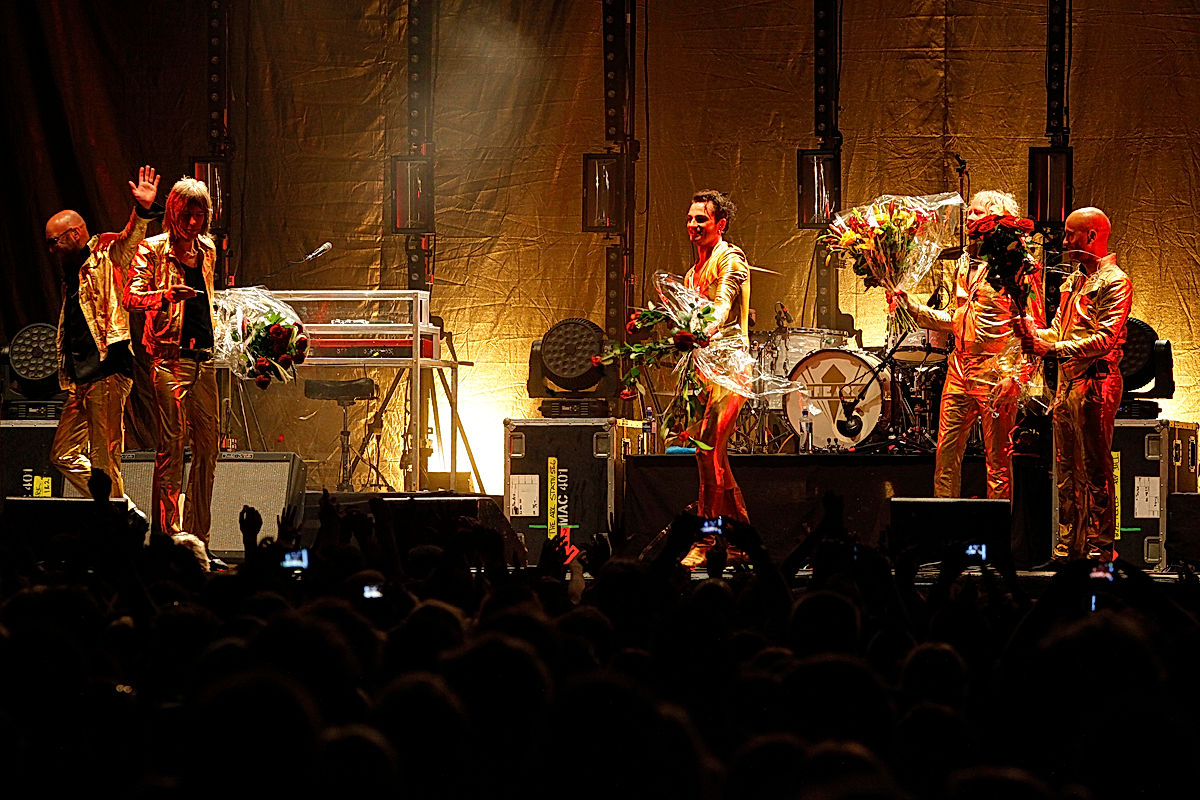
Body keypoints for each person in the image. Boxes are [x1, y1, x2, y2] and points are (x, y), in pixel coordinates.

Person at [893, 190, 1045, 500]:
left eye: (976, 212)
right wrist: (913, 307)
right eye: (970, 212)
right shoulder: (966, 261)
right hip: (959, 367)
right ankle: (947, 531)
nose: (969, 218)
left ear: (995, 218)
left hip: (996, 371)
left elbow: (1035, 325)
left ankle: (998, 537)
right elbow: (959, 318)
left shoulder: (1017, 263)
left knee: (998, 461)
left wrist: (1016, 376)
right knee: (945, 456)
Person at [1016, 207, 1132, 563]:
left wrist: (1049, 346)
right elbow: (1058, 331)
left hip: (1096, 383)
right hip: (1068, 384)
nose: (1065, 242)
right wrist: (1033, 332)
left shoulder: (1115, 282)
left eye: (1071, 235)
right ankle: (1069, 548)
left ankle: (1100, 550)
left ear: (1092, 237)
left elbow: (1104, 340)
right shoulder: (1073, 281)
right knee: (1066, 471)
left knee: (1096, 471)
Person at [123, 176, 223, 568]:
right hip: (168, 359)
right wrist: (164, 296)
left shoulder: (209, 250)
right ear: (173, 214)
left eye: (200, 216)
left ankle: (200, 542)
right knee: (172, 447)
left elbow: (208, 301)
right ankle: (169, 544)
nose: (194, 224)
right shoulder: (153, 249)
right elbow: (131, 296)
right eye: (187, 216)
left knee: (209, 448)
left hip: (204, 360)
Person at [47, 165, 161, 499]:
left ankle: (118, 523)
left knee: (105, 457)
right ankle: (120, 508)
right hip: (80, 378)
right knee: (63, 453)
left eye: (55, 242)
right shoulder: (70, 272)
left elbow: (131, 240)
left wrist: (141, 210)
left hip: (107, 370)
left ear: (75, 233)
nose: (51, 249)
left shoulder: (106, 253)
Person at [681, 189, 752, 568]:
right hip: (706, 370)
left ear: (720, 224)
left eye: (701, 219)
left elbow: (723, 301)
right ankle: (741, 540)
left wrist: (711, 322)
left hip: (731, 368)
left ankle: (706, 538)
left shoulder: (730, 257)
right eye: (690, 218)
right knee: (713, 455)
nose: (693, 225)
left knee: (707, 448)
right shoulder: (693, 273)